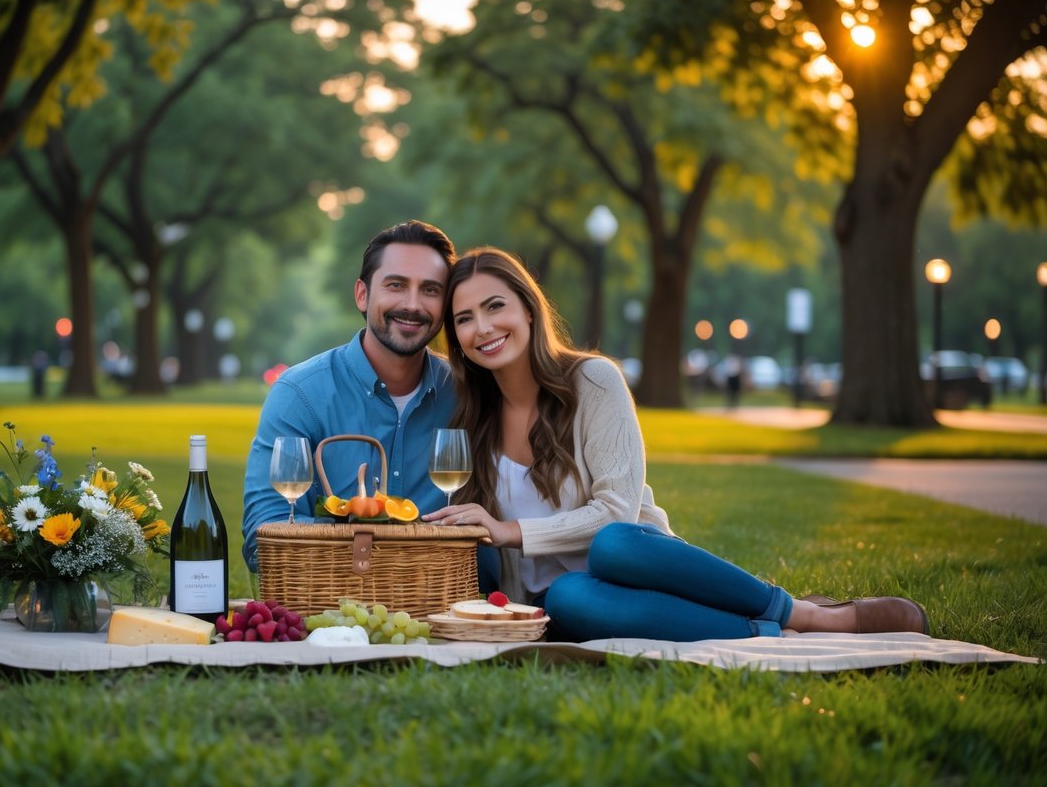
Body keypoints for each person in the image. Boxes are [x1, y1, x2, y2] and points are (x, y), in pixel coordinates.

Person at [424, 247, 928, 642]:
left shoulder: (593, 381)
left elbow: (618, 512)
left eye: (495, 306)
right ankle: (773, 633)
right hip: (564, 603)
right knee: (569, 596)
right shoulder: (472, 420)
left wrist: (510, 530)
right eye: (464, 318)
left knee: (613, 542)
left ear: (529, 310)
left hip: (638, 565)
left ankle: (808, 615)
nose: (482, 327)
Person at [241, 220, 458, 571]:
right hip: (329, 612)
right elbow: (262, 539)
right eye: (396, 285)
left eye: (430, 290)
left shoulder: (467, 395)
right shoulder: (299, 394)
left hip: (440, 604)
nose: (413, 304)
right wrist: (366, 536)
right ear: (362, 294)